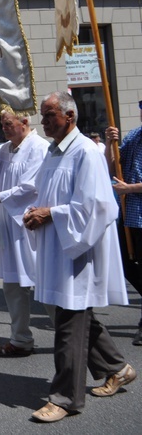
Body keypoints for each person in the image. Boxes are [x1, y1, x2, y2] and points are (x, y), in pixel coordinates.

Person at [24, 91, 135, 423]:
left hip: (78, 251)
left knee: (69, 323)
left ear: (69, 116)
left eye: (48, 116)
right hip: (57, 248)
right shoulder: (54, 153)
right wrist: (36, 212)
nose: (43, 122)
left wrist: (51, 214)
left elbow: (98, 207)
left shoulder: (86, 151)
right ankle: (117, 367)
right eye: (42, 116)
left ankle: (65, 397)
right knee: (73, 316)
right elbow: (49, 194)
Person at [0, 111, 50, 357]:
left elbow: (32, 186)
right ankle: (20, 339)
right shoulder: (5, 149)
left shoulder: (39, 148)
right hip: (8, 225)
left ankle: (73, 335)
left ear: (25, 122)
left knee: (46, 284)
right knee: (13, 286)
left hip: (30, 225)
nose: (4, 129)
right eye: (2, 125)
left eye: (8, 124)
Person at [105, 107, 142, 345]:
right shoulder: (135, 136)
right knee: (126, 265)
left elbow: (126, 184)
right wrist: (110, 144)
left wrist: (129, 189)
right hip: (129, 215)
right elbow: (112, 168)